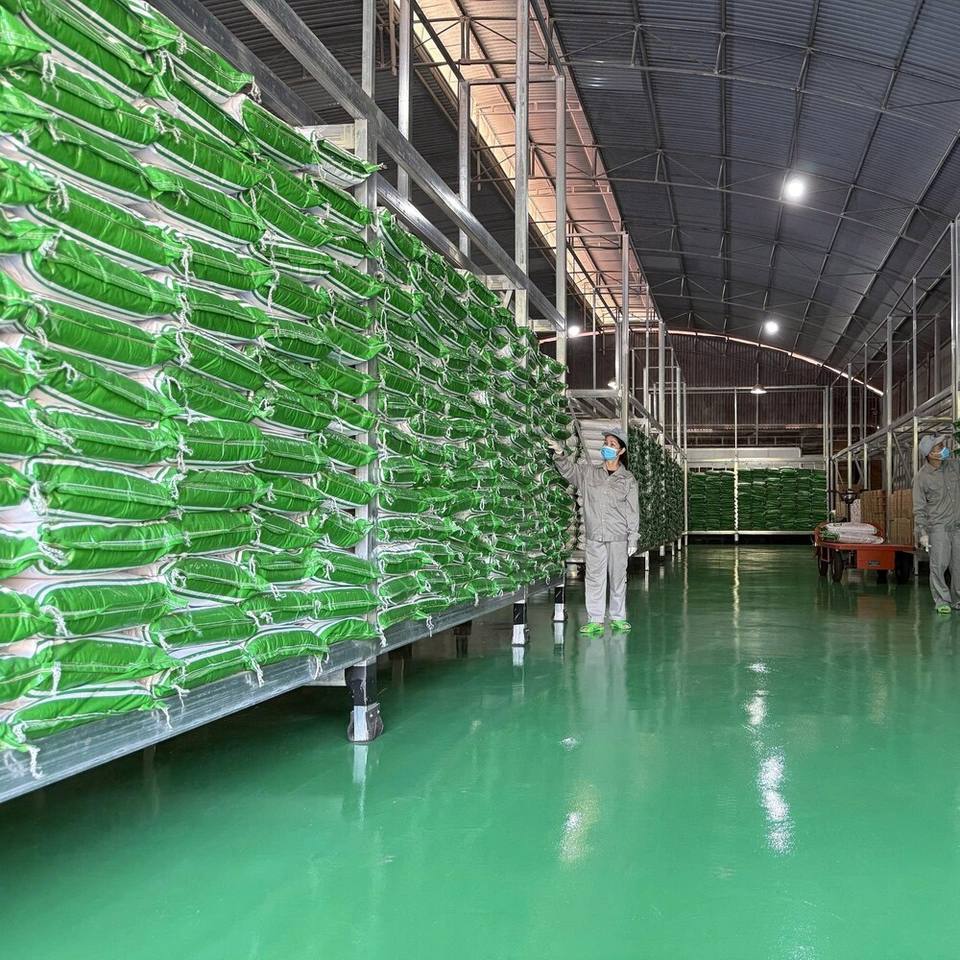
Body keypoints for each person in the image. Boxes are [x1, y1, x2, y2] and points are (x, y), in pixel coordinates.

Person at [549, 428, 640, 635]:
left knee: (617, 578)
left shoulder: (628, 479)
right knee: (594, 578)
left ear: (621, 451)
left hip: (618, 537)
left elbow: (633, 510)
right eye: (606, 443)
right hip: (595, 536)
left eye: (612, 444)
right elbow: (569, 471)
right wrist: (560, 453)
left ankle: (618, 617)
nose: (607, 447)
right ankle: (595, 620)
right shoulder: (589, 473)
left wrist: (633, 537)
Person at [913, 434, 960, 615]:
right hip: (938, 527)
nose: (943, 449)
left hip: (958, 525)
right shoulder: (921, 477)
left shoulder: (954, 466)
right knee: (939, 566)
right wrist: (922, 532)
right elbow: (919, 507)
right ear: (930, 454)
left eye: (942, 446)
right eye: (939, 447)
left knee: (958, 566)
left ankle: (958, 599)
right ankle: (942, 600)